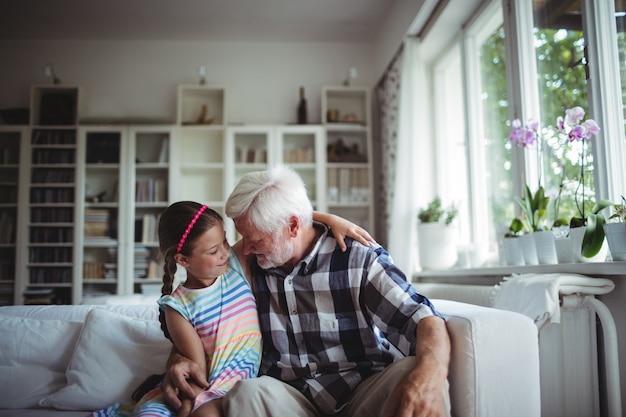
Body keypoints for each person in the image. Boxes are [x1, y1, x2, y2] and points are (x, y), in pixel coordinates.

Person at [164, 165, 451, 417]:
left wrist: (431, 376)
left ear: (292, 226)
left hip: (363, 389)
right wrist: (179, 359)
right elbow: (195, 315)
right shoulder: (249, 267)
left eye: (255, 239)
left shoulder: (357, 258)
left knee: (412, 372)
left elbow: (422, 317)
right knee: (247, 393)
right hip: (290, 398)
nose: (244, 249)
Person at [91, 200, 374, 417]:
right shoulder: (177, 307)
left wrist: (330, 219)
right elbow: (197, 369)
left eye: (225, 241)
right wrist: (190, 405)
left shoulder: (235, 268)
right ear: (183, 259)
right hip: (213, 387)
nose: (225, 252)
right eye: (213, 251)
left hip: (246, 388)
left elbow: (283, 223)